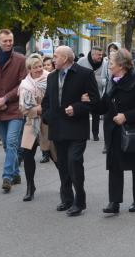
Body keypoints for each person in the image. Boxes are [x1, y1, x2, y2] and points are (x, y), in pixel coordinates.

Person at [87, 49, 135, 214]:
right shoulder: (113, 81)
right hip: (115, 131)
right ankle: (114, 202)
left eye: (111, 64)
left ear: (121, 65)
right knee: (115, 166)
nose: (109, 67)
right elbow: (104, 106)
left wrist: (126, 116)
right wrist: (90, 101)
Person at [41, 46, 100, 217]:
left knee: (74, 162)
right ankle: (67, 198)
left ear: (65, 58)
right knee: (63, 166)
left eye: (55, 56)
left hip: (76, 127)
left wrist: (77, 108)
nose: (53, 60)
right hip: (57, 127)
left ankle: (79, 201)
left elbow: (94, 101)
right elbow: (47, 101)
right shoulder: (52, 77)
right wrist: (47, 116)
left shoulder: (84, 74)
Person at [0, 29, 28, 193]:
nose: (8, 43)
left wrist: (5, 99)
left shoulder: (20, 59)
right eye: (5, 41)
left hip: (15, 108)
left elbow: (23, 84)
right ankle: (16, 173)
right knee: (7, 146)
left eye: (10, 40)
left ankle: (7, 176)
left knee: (12, 142)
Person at [18, 54, 51, 201]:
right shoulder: (25, 85)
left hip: (48, 123)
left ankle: (66, 184)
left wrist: (41, 109)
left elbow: (54, 102)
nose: (39, 69)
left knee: (55, 156)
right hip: (31, 123)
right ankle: (30, 187)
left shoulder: (50, 79)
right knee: (27, 155)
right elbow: (23, 108)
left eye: (40, 66)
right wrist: (38, 109)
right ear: (29, 69)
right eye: (35, 67)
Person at [77, 46, 106, 141]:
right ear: (93, 54)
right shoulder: (82, 61)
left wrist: (99, 81)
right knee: (83, 113)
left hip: (97, 92)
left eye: (101, 55)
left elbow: (106, 78)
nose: (101, 57)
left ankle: (95, 133)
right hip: (84, 92)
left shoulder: (104, 63)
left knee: (96, 114)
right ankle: (83, 132)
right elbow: (75, 73)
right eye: (99, 55)